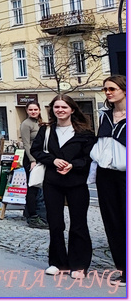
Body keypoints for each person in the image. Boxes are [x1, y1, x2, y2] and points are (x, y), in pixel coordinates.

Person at [31, 95, 96, 278]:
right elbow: (36, 150)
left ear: (72, 110)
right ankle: (57, 262)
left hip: (76, 182)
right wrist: (54, 160)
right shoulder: (46, 130)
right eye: (56, 107)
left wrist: (72, 165)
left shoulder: (84, 133)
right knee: (55, 223)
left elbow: (89, 157)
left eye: (64, 107)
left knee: (78, 224)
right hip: (53, 182)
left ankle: (79, 264)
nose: (60, 110)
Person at [96, 75, 126, 287]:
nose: (108, 92)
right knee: (112, 220)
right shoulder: (104, 116)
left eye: (112, 89)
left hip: (126, 175)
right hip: (105, 174)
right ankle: (123, 268)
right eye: (106, 89)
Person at [19, 101, 49, 229]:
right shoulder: (26, 124)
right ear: (27, 111)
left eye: (35, 109)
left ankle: (29, 212)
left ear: (39, 110)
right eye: (30, 110)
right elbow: (26, 144)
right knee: (32, 187)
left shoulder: (40, 122)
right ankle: (33, 216)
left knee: (39, 187)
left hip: (41, 157)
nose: (33, 112)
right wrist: (32, 161)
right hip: (31, 158)